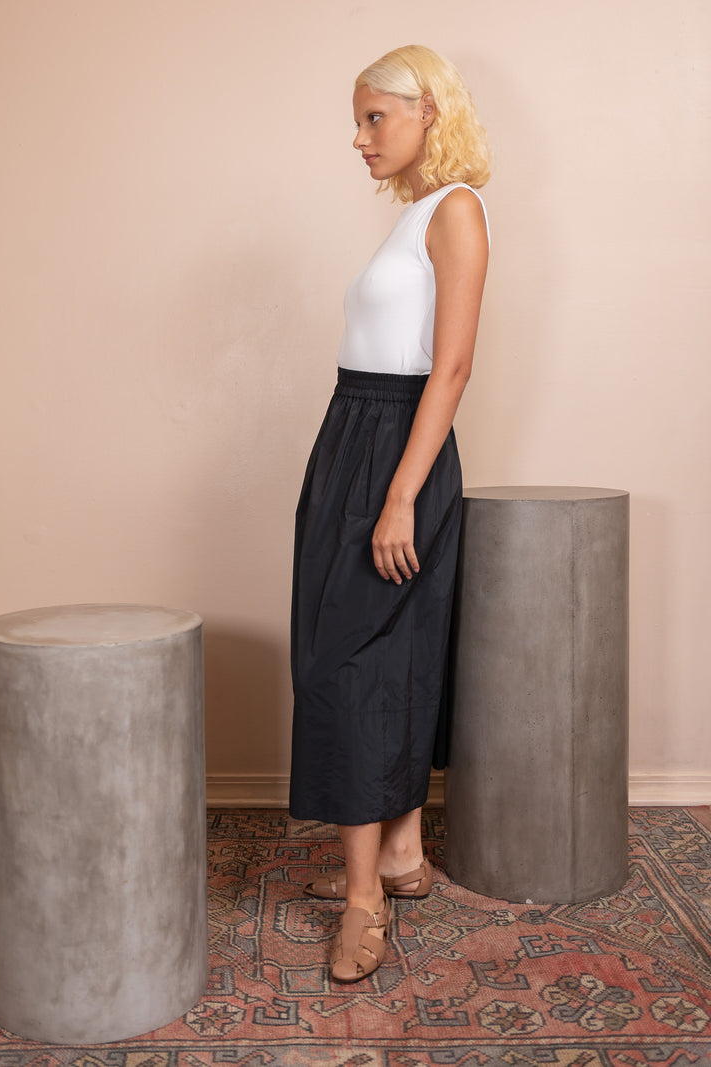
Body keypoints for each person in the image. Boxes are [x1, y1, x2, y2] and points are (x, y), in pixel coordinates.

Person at [289, 44, 491, 983]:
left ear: (428, 113)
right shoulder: (414, 213)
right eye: (359, 119)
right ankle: (400, 855)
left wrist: (400, 493)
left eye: (376, 117)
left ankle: (364, 900)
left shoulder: (456, 210)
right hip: (354, 432)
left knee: (357, 659)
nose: (360, 138)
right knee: (375, 653)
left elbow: (451, 366)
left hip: (396, 444)